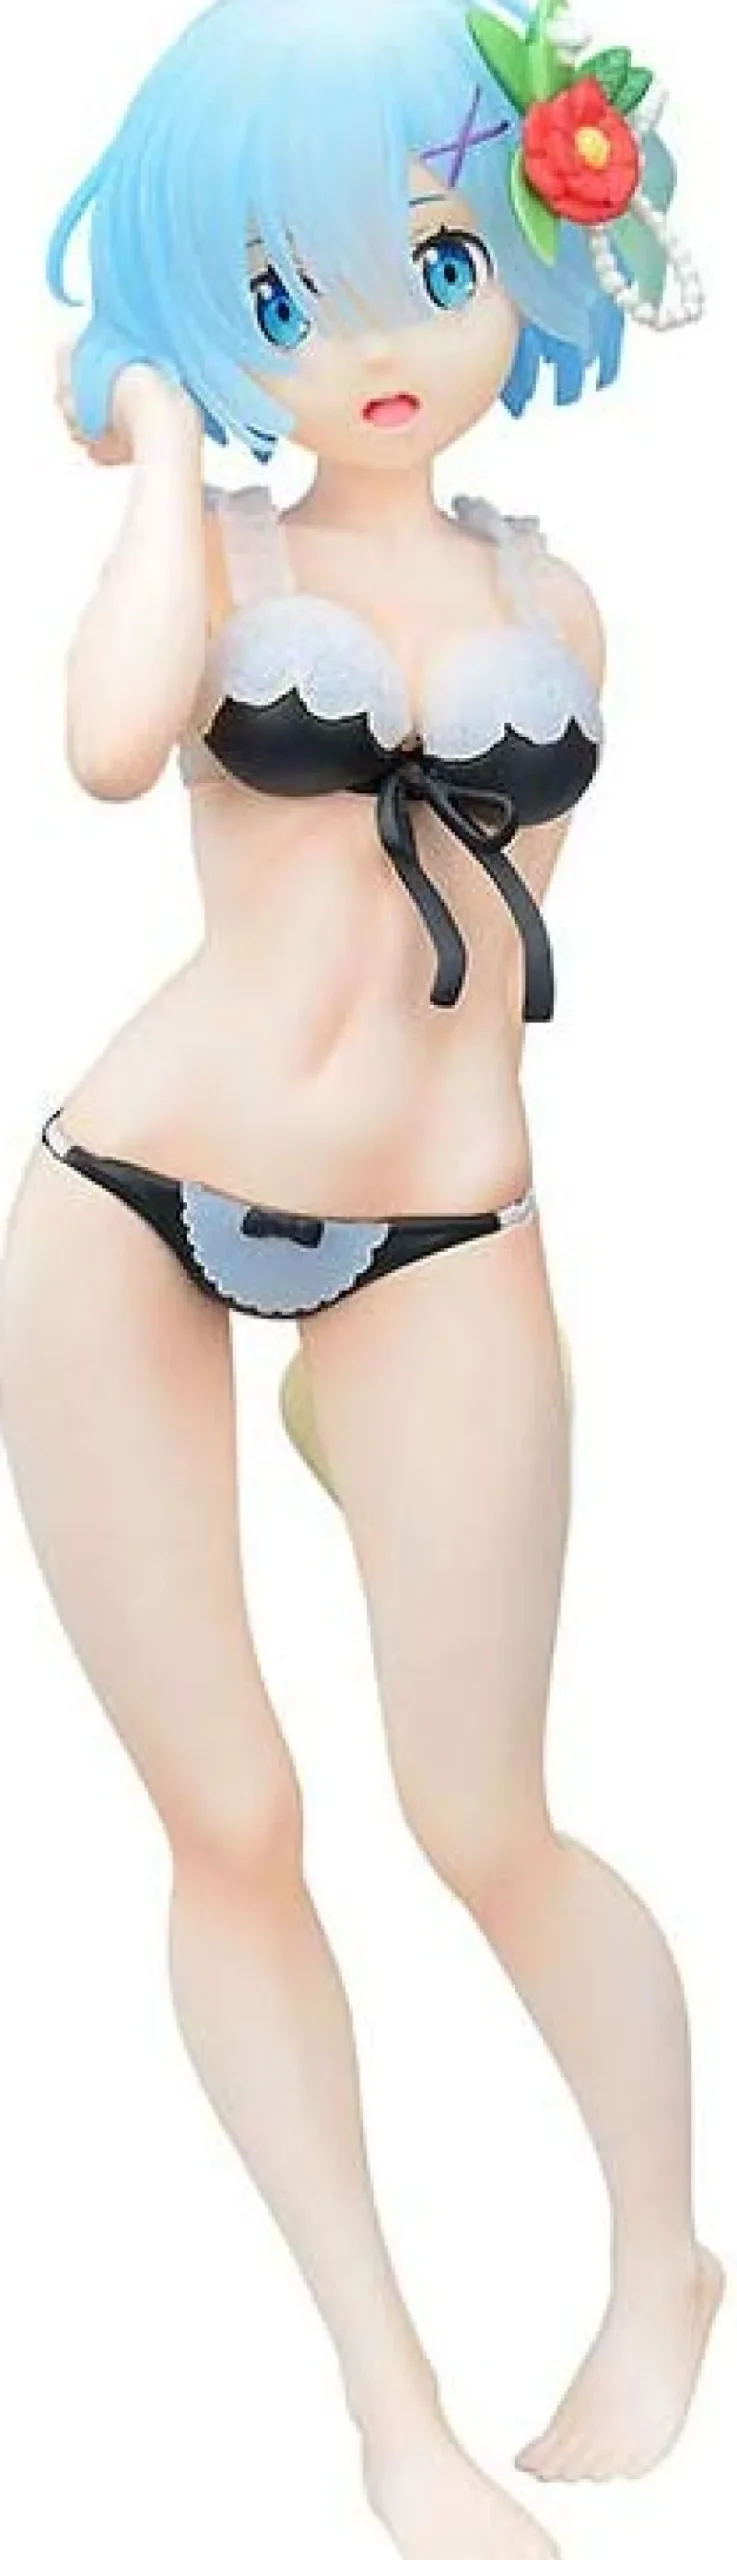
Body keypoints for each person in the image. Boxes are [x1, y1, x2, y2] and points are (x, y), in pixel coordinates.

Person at [0, 5, 719, 2556]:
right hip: (131, 1201)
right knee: (234, 1818)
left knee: (482, 1811)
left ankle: (661, 2253)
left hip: (441, 1231)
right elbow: (110, 747)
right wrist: (162, 455)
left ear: (528, 234)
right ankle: (386, 2398)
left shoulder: (560, 597)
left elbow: (483, 972)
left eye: (430, 254)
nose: (375, 339)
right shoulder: (221, 563)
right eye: (277, 292)